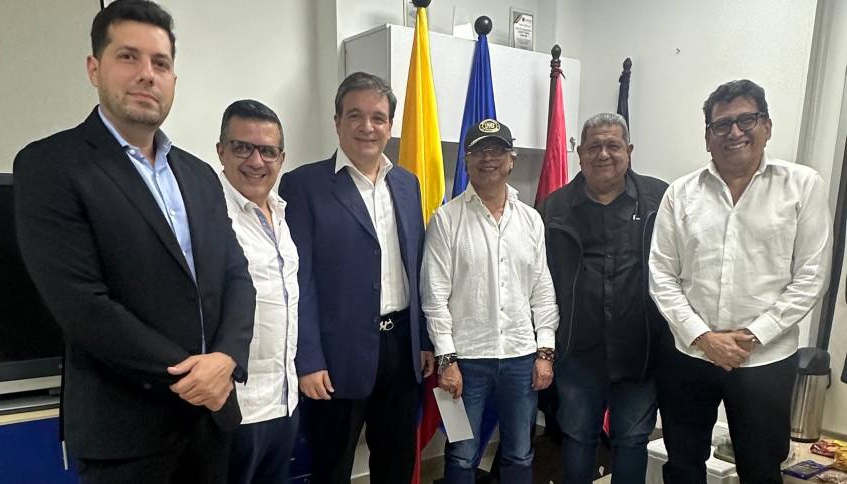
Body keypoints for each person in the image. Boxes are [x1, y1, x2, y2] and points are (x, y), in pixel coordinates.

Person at [12, 1, 256, 483]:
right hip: (125, 437)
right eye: (128, 57)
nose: (147, 74)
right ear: (94, 68)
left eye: (160, 63)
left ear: (173, 80)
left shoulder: (200, 175)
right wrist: (196, 377)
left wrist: (227, 359)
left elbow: (236, 277)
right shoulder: (50, 166)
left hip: (211, 425)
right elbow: (84, 306)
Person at [649, 79, 832, 484]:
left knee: (760, 469)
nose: (734, 132)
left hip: (765, 359)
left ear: (767, 126)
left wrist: (753, 335)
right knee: (682, 464)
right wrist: (704, 337)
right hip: (689, 355)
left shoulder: (802, 187)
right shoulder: (681, 193)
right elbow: (661, 275)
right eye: (722, 125)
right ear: (708, 137)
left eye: (746, 120)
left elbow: (811, 276)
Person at [278, 71, 433, 483]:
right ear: (337, 122)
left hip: (401, 349)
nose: (368, 126)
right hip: (336, 356)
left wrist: (423, 340)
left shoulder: (407, 184)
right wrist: (308, 360)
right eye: (355, 115)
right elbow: (299, 281)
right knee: (332, 467)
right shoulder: (303, 185)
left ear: (390, 125)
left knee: (397, 464)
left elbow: (416, 266)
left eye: (378, 117)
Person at [421, 119, 559, 483]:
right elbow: (434, 298)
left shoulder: (531, 220)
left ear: (511, 159)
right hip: (464, 362)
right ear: (466, 161)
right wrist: (447, 360)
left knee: (520, 452)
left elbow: (543, 291)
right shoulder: (445, 220)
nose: (488, 158)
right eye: (479, 151)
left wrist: (545, 352)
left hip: (521, 360)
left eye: (497, 150)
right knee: (461, 453)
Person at [538, 112, 668, 483]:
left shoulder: (659, 200)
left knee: (632, 439)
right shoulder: (553, 208)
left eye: (613, 145)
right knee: (577, 436)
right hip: (578, 351)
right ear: (580, 153)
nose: (604, 154)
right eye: (594, 146)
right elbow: (539, 279)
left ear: (629, 150)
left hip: (639, 350)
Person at [215, 100, 298, 484]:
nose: (255, 161)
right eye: (242, 148)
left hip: (283, 401)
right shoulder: (209, 216)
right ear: (221, 151)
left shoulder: (281, 213)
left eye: (267, 151)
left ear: (281, 158)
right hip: (235, 407)